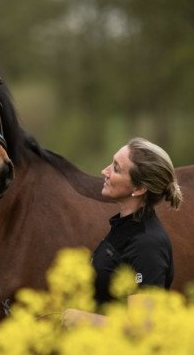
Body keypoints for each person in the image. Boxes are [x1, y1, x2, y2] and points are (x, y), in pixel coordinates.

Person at [62, 137, 182, 328]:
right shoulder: (124, 227)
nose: (105, 171)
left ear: (139, 188)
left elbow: (144, 328)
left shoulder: (147, 244)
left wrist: (81, 319)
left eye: (116, 168)